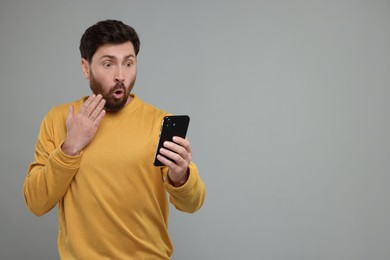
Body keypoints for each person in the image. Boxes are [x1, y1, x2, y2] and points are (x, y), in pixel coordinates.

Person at [23, 19, 206, 259]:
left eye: (128, 63)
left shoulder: (160, 122)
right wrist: (70, 147)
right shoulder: (59, 119)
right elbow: (36, 203)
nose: (121, 75)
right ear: (86, 68)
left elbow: (192, 204)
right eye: (108, 64)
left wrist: (180, 176)